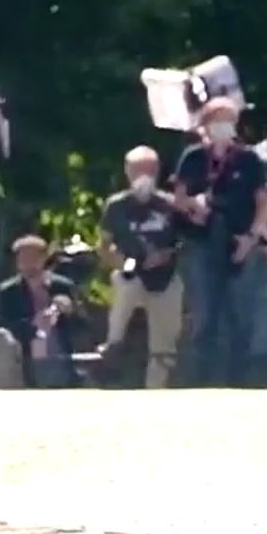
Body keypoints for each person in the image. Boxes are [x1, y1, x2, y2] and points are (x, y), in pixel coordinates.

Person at [171, 97, 267, 387]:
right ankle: (200, 382)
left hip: (240, 243)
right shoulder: (193, 156)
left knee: (240, 315)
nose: (223, 126)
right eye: (218, 119)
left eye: (229, 119)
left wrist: (252, 237)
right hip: (202, 244)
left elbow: (263, 202)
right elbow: (178, 197)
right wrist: (194, 205)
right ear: (205, 124)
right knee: (204, 316)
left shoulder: (249, 159)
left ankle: (238, 382)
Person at [98, 146, 185, 388]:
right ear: (127, 172)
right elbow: (105, 246)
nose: (143, 175)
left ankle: (155, 389)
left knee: (164, 344)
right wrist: (124, 262)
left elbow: (183, 241)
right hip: (131, 268)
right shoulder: (116, 206)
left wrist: (165, 255)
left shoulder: (169, 204)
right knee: (127, 280)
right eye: (137, 170)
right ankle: (113, 341)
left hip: (165, 275)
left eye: (149, 169)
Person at [0, 235, 81, 387]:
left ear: (44, 258)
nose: (28, 264)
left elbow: (82, 326)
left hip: (60, 354)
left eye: (32, 258)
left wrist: (69, 311)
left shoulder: (63, 286)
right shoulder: (8, 292)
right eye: (23, 259)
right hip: (26, 358)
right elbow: (1, 329)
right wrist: (34, 324)